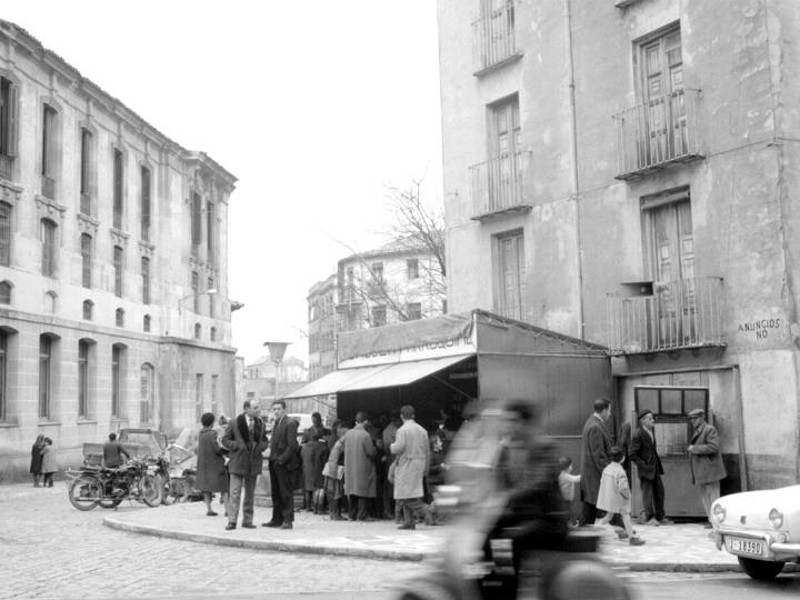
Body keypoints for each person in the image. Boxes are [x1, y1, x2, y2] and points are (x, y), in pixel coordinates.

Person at [221, 399, 268, 531]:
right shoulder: (235, 422)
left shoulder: (261, 423)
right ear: (246, 409)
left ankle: (247, 520)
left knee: (250, 493)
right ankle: (232, 521)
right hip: (237, 462)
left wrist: (261, 448)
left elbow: (265, 440)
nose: (258, 410)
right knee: (234, 492)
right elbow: (224, 440)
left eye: (258, 407)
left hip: (253, 463)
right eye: (255, 407)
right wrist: (236, 446)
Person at [390, 405, 434, 530]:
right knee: (412, 493)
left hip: (407, 463)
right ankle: (409, 521)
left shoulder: (402, 430)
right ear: (414, 415)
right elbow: (427, 450)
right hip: (420, 463)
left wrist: (391, 446)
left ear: (401, 416)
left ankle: (425, 510)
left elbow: (398, 448)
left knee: (404, 494)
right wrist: (426, 468)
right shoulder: (423, 430)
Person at [629, 409, 672, 526]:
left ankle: (660, 516)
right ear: (643, 421)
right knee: (647, 493)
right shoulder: (638, 433)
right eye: (650, 418)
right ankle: (648, 518)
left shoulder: (650, 431)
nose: (653, 420)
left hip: (655, 468)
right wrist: (644, 466)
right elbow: (632, 454)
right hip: (646, 469)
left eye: (653, 418)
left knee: (659, 491)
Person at [595, 446, 645, 546]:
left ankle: (594, 531)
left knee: (608, 517)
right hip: (619, 500)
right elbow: (623, 488)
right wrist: (628, 496)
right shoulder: (620, 471)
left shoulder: (607, 469)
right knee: (626, 516)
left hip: (609, 499)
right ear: (623, 458)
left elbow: (603, 483)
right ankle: (632, 538)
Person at [262, 400, 300, 530]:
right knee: (276, 492)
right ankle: (276, 519)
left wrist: (281, 460)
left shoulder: (290, 423)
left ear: (284, 409)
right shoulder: (277, 423)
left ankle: (287, 520)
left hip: (283, 464)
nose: (276, 411)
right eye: (274, 409)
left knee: (285, 492)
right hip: (274, 462)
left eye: (278, 409)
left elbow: (292, 445)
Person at [687, 408, 727, 527]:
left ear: (701, 418)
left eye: (695, 419)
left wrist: (695, 449)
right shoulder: (700, 430)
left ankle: (717, 521)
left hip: (710, 470)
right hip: (703, 470)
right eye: (691, 419)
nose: (693, 421)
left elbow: (714, 447)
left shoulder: (709, 429)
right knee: (706, 496)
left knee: (714, 497)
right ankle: (711, 520)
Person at [579, 398, 613, 525]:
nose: (610, 413)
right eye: (609, 410)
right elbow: (598, 455)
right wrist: (610, 471)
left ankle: (583, 531)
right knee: (609, 501)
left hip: (591, 474)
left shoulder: (592, 423)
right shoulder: (595, 427)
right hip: (595, 474)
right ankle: (623, 528)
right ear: (604, 410)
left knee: (591, 505)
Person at [342, 412, 377, 521]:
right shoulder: (365, 435)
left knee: (352, 491)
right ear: (365, 421)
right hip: (363, 468)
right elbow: (370, 452)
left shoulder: (348, 434)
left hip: (350, 467)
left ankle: (352, 515)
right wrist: (376, 449)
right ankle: (362, 516)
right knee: (362, 491)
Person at [195, 412, 229, 517]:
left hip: (204, 465)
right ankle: (227, 510)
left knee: (206, 488)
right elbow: (217, 448)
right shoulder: (213, 434)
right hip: (215, 464)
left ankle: (209, 509)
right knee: (224, 487)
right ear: (212, 423)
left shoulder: (201, 434)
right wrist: (226, 451)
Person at [300, 428, 328, 513]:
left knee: (310, 489)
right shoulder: (322, 447)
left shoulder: (305, 447)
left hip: (307, 469)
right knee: (320, 489)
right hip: (318, 469)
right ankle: (319, 507)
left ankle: (311, 507)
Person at [324, 423, 347, 520]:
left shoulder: (339, 444)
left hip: (335, 471)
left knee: (335, 493)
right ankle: (335, 514)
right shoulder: (340, 445)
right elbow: (333, 459)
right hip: (335, 473)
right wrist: (334, 474)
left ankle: (335, 514)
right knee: (336, 493)